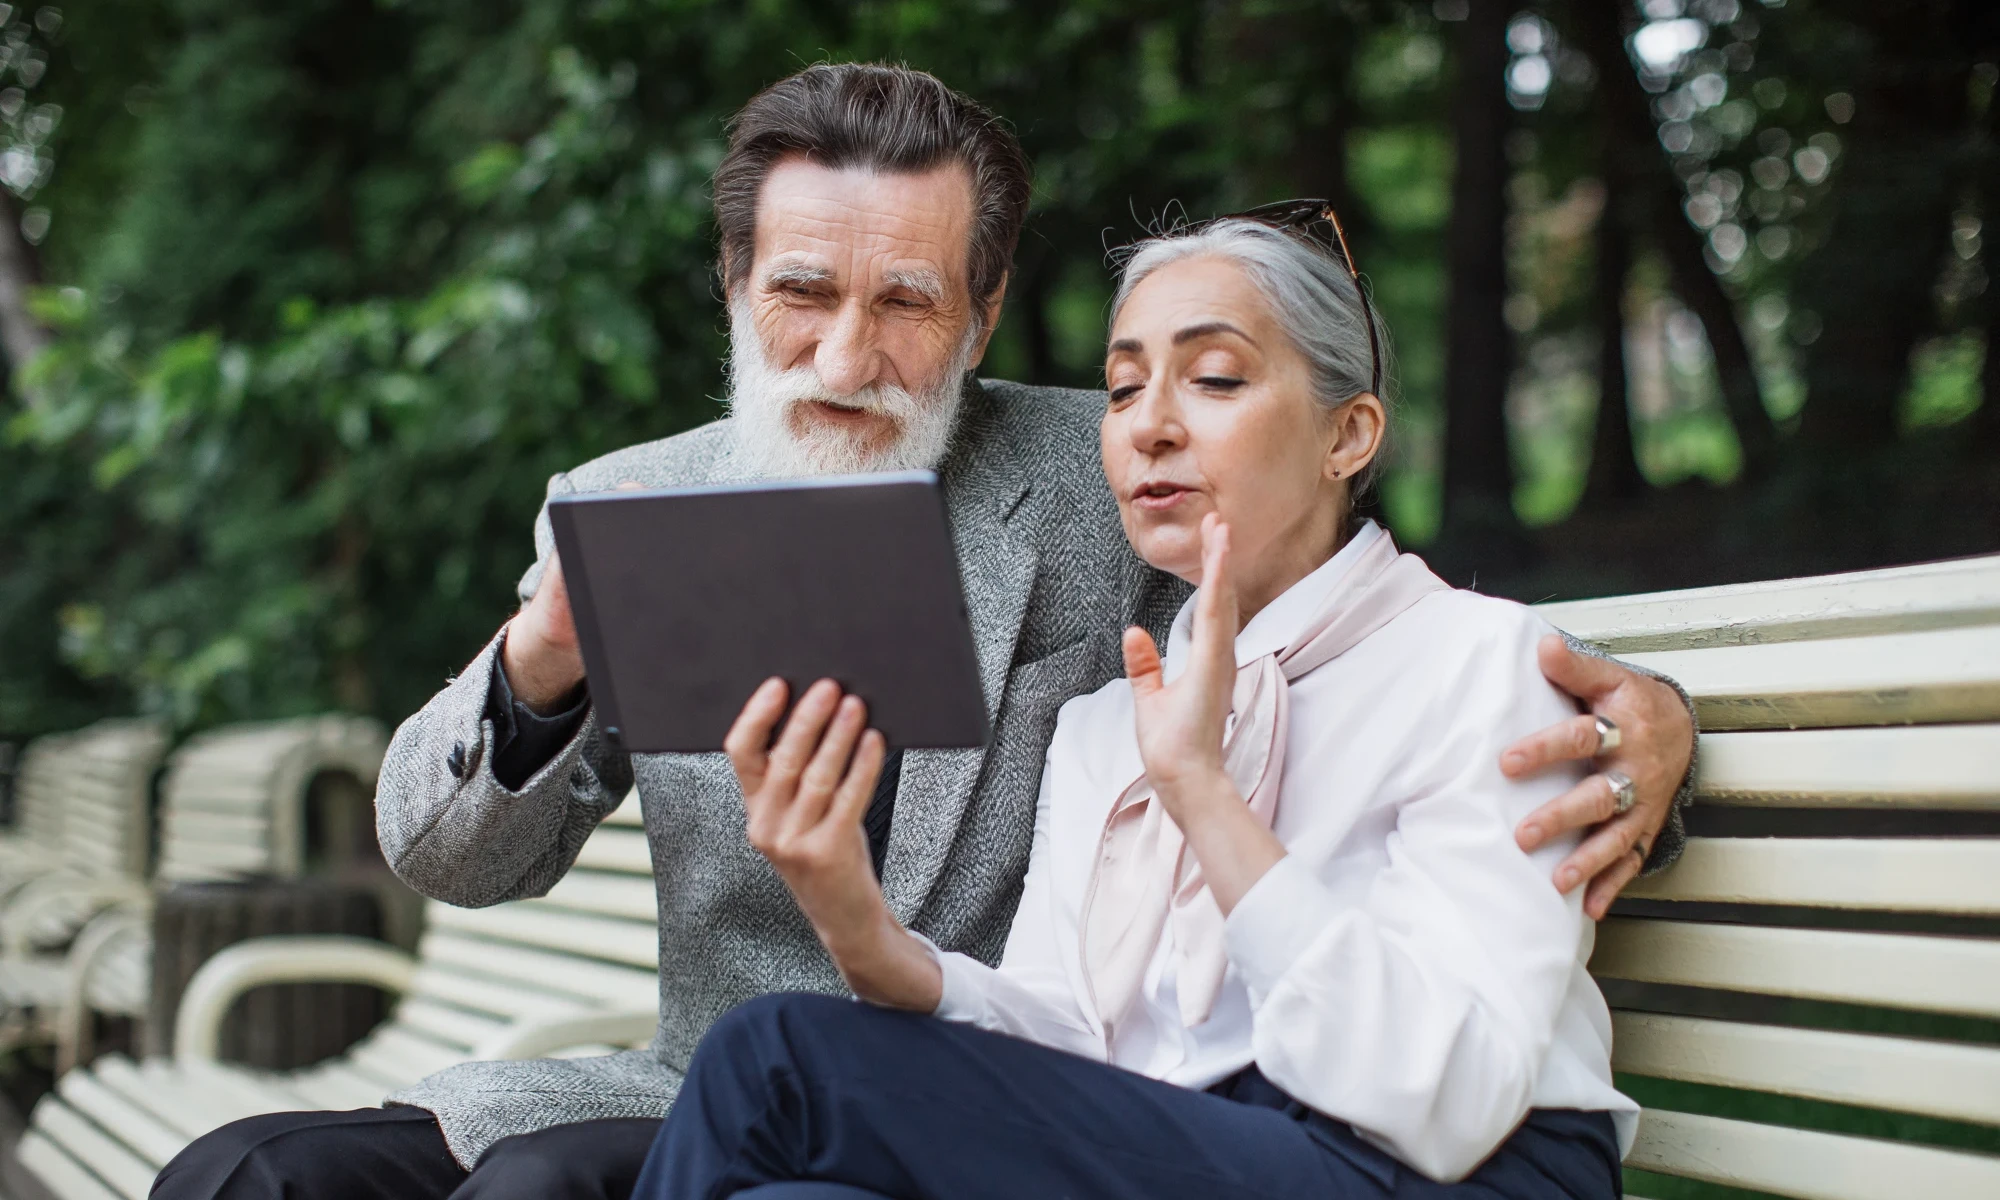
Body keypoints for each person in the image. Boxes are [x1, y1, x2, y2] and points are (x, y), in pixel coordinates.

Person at [152, 65, 1689, 1200]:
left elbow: (1363, 604)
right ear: (735, 285)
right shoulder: (635, 507)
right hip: (702, 1069)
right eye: (803, 293)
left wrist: (1650, 716)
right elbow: (442, 855)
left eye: (905, 301)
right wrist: (542, 658)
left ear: (985, 310)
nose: (845, 353)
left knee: (545, 1196)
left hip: (1017, 1105)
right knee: (247, 1178)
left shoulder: (1109, 477)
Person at [635, 213, 1634, 1200]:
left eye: (1213, 379)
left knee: (773, 1056)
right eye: (1121, 388)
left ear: (1347, 434)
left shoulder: (1476, 664)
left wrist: (1202, 794)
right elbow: (1068, 1039)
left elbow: (1451, 1102)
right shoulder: (1109, 722)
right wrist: (857, 927)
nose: (1149, 424)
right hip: (1190, 1146)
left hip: (1446, 1168)